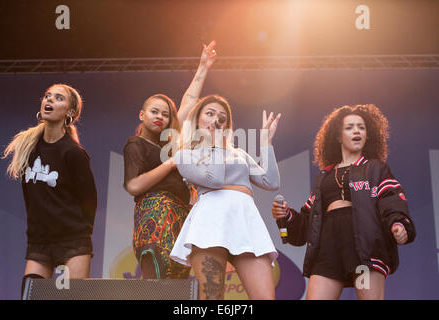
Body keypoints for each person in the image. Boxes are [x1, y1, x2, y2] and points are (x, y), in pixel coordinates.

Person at [272, 104, 415, 300]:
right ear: (338, 136)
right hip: (328, 250)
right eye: (349, 127)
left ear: (368, 134)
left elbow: (391, 199)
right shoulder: (324, 177)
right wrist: (286, 215)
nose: (356, 131)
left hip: (364, 249)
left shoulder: (375, 168)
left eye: (361, 127)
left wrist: (398, 224)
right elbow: (307, 223)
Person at [170, 94, 282, 300]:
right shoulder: (185, 155)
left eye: (222, 117)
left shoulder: (239, 153)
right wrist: (216, 144)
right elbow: (215, 180)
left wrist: (266, 142)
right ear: (197, 119)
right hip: (210, 223)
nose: (216, 120)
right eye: (210, 114)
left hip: (245, 221)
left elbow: (270, 182)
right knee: (212, 297)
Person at [123, 41, 217, 279]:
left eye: (165, 114)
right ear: (142, 114)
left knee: (178, 279)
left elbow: (188, 100)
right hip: (154, 215)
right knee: (156, 275)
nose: (160, 117)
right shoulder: (136, 144)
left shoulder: (171, 142)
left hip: (180, 214)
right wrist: (170, 163)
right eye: (155, 111)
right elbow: (133, 186)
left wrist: (203, 66)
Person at [3, 84, 97, 297]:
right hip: (40, 242)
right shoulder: (29, 147)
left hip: (73, 240)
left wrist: (78, 232)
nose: (50, 100)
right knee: (30, 295)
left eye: (58, 98)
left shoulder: (73, 152)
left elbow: (89, 201)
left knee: (71, 296)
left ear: (70, 112)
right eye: (47, 96)